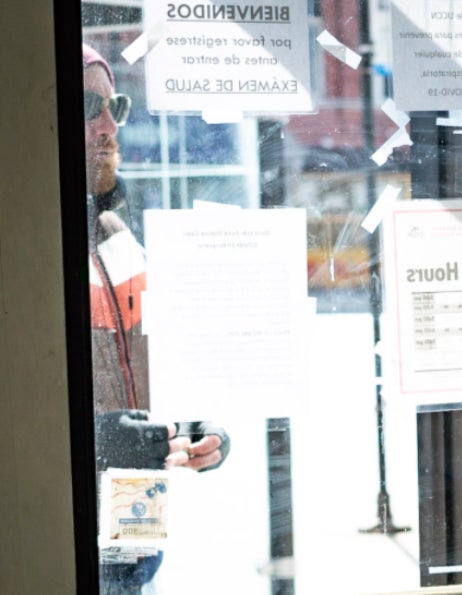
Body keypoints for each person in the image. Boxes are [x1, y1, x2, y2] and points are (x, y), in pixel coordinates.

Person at [84, 42, 232, 592]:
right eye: (85, 109)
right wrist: (91, 441)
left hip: (132, 540)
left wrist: (196, 425)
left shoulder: (115, 237)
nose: (108, 128)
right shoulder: (23, 250)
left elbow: (154, 362)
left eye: (113, 108)